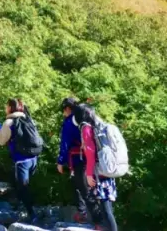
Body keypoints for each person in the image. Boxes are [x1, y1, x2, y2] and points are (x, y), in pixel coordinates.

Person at [0, 98, 43, 222]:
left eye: (6, 106)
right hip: (34, 158)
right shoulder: (28, 119)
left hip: (22, 161)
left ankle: (32, 215)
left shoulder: (9, 122)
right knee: (22, 184)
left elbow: (1, 141)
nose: (5, 108)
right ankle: (22, 206)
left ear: (10, 108)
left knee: (23, 187)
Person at [74, 103, 118, 231]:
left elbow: (90, 153)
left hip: (99, 173)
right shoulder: (96, 125)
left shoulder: (86, 128)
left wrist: (88, 175)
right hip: (106, 170)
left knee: (106, 210)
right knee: (107, 208)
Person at [57, 97, 88, 223]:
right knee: (88, 185)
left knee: (79, 186)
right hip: (90, 157)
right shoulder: (84, 119)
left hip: (77, 159)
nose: (63, 113)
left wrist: (60, 161)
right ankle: (90, 213)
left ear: (68, 109)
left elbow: (65, 143)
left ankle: (84, 214)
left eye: (63, 110)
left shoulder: (70, 122)